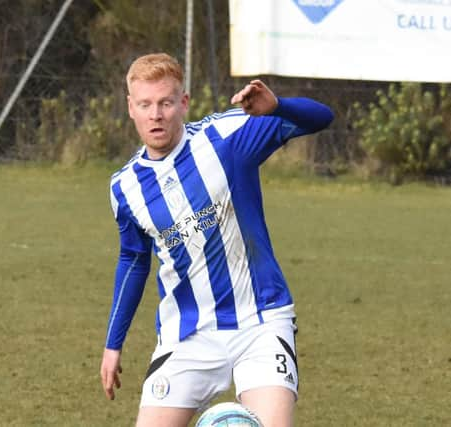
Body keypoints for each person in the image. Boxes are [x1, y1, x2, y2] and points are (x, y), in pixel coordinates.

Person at [99, 52, 334, 427]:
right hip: (186, 335)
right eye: (145, 104)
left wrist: (278, 106)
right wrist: (113, 343)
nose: (156, 115)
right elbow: (133, 260)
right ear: (131, 107)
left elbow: (322, 117)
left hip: (260, 321)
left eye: (165, 102)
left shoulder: (225, 138)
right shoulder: (125, 187)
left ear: (184, 102)